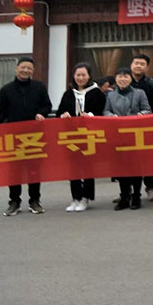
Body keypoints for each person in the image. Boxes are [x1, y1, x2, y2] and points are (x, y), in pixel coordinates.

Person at [0, 57, 51, 216]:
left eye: (29, 68)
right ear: (16, 69)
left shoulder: (39, 87)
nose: (26, 70)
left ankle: (35, 201)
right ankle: (14, 202)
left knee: (34, 170)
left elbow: (47, 105)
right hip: (13, 137)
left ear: (33, 71)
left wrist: (41, 113)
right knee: (14, 171)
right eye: (23, 67)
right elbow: (1, 114)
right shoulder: (6, 90)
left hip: (34, 137)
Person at [56, 62, 106, 212]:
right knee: (73, 168)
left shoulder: (97, 93)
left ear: (89, 75)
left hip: (90, 135)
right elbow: (59, 111)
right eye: (78, 75)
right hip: (72, 136)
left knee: (87, 168)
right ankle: (75, 198)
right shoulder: (69, 93)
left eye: (83, 75)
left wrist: (89, 115)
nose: (80, 78)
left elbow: (102, 112)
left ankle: (86, 198)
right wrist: (63, 115)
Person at [104, 67, 152, 210]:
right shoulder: (110, 95)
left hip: (135, 134)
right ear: (115, 79)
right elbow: (106, 111)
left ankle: (136, 196)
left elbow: (147, 110)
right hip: (117, 135)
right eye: (119, 76)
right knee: (121, 168)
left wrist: (139, 115)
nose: (122, 79)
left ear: (131, 78)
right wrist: (112, 117)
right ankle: (124, 196)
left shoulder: (139, 93)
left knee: (136, 167)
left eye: (126, 76)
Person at [129, 53, 153, 201]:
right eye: (136, 63)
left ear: (147, 67)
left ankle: (150, 187)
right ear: (131, 65)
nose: (138, 66)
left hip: (148, 127)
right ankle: (128, 191)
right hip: (127, 128)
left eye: (142, 64)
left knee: (148, 159)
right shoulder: (123, 81)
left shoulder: (152, 84)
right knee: (129, 160)